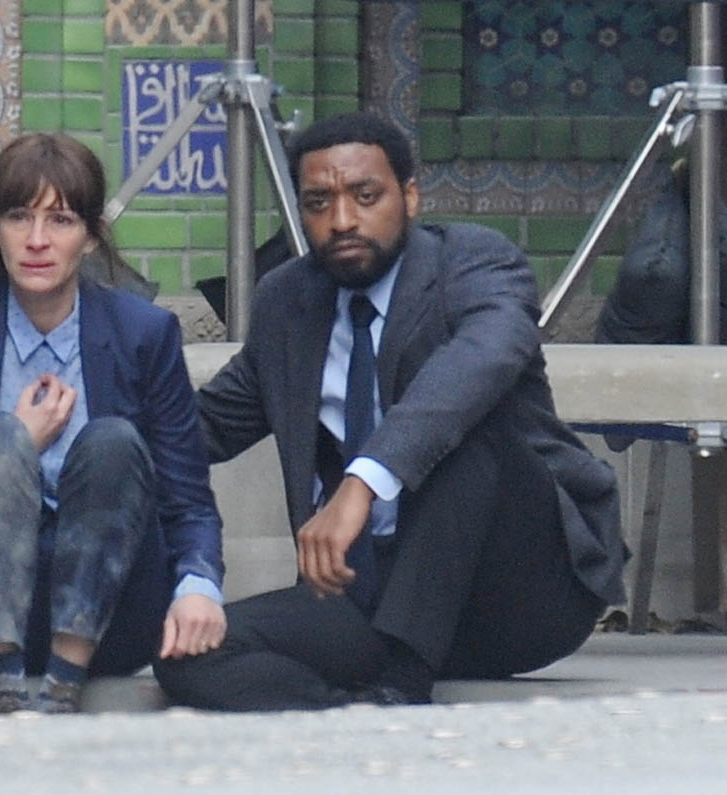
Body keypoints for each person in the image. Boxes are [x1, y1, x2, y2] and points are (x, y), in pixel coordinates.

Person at [154, 111, 627, 711]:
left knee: (470, 434)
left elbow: (481, 361)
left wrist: (364, 481)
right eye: (319, 202)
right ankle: (357, 711)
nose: (342, 220)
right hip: (372, 593)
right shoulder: (288, 301)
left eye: (365, 196)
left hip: (518, 594)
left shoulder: (474, 263)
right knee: (188, 653)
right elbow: (203, 427)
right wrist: (89, 437)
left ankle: (403, 679)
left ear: (410, 196)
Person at [0, 133, 226, 714]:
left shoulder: (145, 333)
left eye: (60, 220)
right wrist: (2, 454)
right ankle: (2, 682)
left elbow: (190, 502)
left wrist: (200, 588)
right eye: (18, 217)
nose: (36, 240)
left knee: (112, 441)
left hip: (112, 616)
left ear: (91, 235)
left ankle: (65, 680)